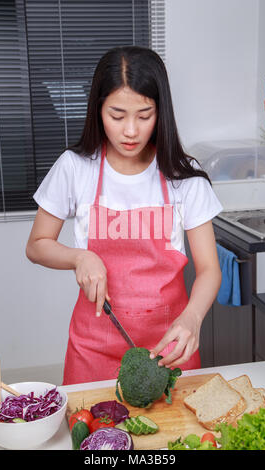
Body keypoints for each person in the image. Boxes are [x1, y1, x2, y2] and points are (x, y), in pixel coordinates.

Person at [26, 46, 222, 385]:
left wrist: (192, 318)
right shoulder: (75, 168)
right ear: (98, 110)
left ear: (161, 112)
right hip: (93, 349)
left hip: (170, 346)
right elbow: (37, 245)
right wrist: (79, 257)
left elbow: (208, 269)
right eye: (117, 116)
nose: (130, 130)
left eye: (144, 115)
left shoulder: (184, 176)